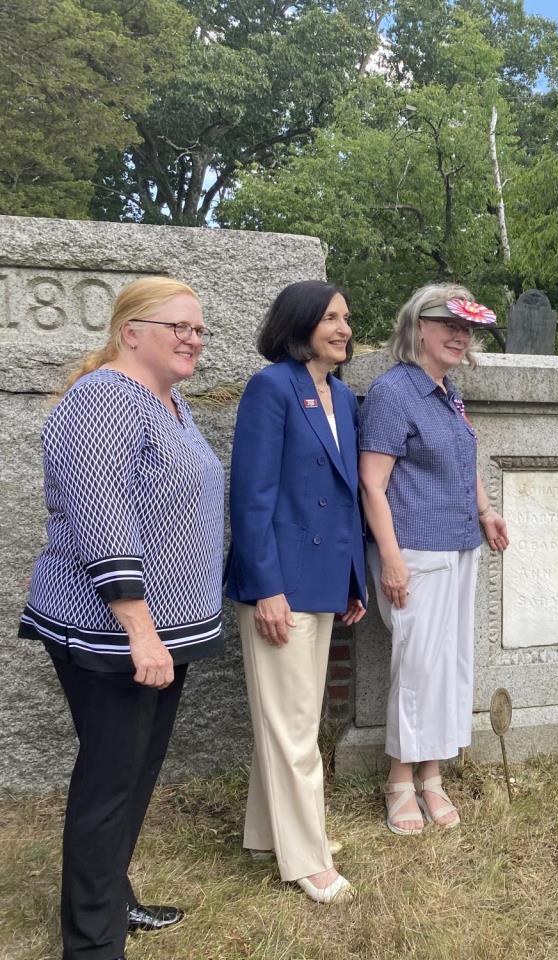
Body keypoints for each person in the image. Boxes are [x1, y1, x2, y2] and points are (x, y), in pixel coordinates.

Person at [18, 278, 224, 960]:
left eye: (199, 329)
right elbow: (103, 524)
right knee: (110, 781)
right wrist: (141, 630)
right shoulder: (104, 400)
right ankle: (92, 942)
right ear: (130, 330)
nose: (193, 338)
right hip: (115, 633)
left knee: (134, 775)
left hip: (161, 633)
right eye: (179, 327)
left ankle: (109, 897)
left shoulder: (169, 400)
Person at [224, 281, 367, 903]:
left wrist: (354, 580)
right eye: (331, 317)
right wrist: (266, 589)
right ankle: (307, 859)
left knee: (295, 718)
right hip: (279, 583)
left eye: (346, 317)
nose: (343, 327)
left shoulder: (342, 395)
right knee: (293, 727)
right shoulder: (271, 387)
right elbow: (251, 496)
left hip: (325, 581)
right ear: (300, 323)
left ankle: (267, 834)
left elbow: (346, 499)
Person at [358, 284, 510, 833]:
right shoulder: (392, 393)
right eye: (446, 322)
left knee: (448, 666)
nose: (458, 334)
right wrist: (391, 559)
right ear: (417, 325)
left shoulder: (449, 393)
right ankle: (400, 780)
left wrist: (486, 509)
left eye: (465, 328)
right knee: (418, 667)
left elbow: (463, 459)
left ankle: (432, 775)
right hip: (413, 550)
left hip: (459, 545)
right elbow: (371, 484)